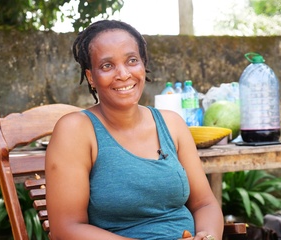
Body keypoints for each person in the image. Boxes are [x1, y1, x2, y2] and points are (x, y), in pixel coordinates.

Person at [45, 19, 224, 240]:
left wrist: (208, 236)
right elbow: (66, 228)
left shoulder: (171, 124)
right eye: (107, 65)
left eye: (131, 60)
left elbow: (205, 203)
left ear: (143, 64)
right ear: (91, 77)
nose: (123, 74)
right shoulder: (76, 131)